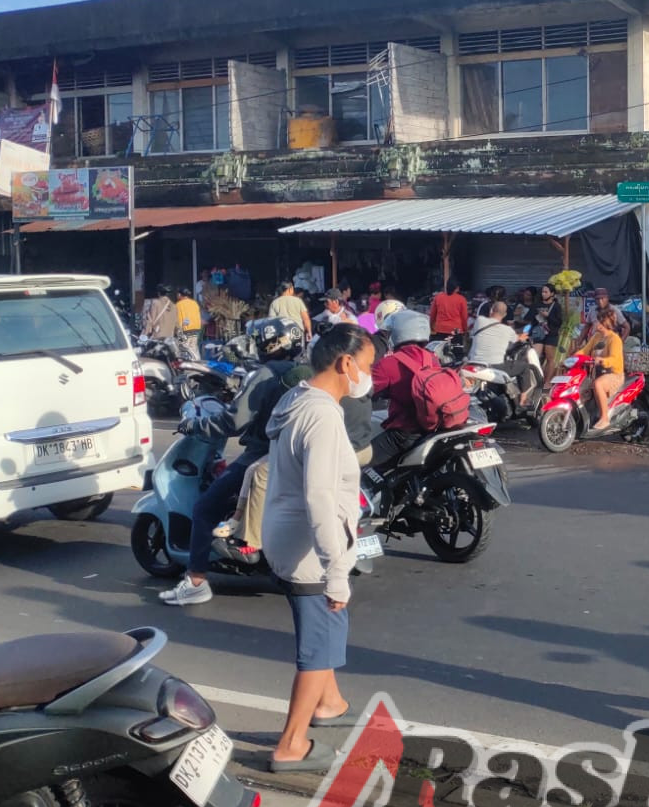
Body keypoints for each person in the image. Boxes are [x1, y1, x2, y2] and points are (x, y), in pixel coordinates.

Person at [263, 325, 372, 772]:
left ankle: (330, 702)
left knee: (325, 636)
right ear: (345, 364)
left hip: (286, 536)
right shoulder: (324, 417)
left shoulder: (296, 399)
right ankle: (291, 745)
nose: (368, 377)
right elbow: (320, 497)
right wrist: (336, 570)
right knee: (318, 647)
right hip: (310, 550)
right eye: (366, 367)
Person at [160, 317, 306, 606]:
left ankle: (196, 581)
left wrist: (195, 426)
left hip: (263, 453)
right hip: (300, 455)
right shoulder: (306, 370)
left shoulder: (265, 374)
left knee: (204, 508)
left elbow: (234, 421)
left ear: (269, 343)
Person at [367, 310, 439, 470]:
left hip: (405, 433)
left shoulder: (389, 364)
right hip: (433, 428)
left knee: (358, 462)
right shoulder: (432, 358)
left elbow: (363, 391)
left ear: (398, 333)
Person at [586, 311, 626, 433]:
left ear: (606, 323)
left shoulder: (615, 339)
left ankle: (604, 418)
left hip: (614, 375)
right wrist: (571, 359)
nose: (596, 323)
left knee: (598, 384)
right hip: (597, 373)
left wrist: (603, 361)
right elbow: (584, 350)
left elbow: (614, 359)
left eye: (599, 321)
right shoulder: (596, 337)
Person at [470, 299, 524, 366]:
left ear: (491, 310)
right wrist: (526, 334)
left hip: (474, 363)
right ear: (505, 315)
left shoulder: (479, 321)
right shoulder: (508, 330)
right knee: (524, 366)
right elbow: (518, 339)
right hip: (496, 366)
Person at [533, 283, 564, 376]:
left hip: (551, 334)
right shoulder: (537, 305)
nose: (543, 294)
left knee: (550, 358)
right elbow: (531, 319)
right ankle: (537, 378)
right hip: (538, 333)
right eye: (542, 292)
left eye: (546, 292)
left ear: (552, 294)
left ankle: (548, 381)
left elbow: (558, 322)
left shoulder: (556, 306)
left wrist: (548, 316)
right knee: (535, 357)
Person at [173, 287, 203, 360]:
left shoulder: (178, 305)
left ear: (180, 294)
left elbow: (177, 320)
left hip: (184, 330)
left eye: (177, 294)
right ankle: (197, 364)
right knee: (193, 348)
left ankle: (185, 367)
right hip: (195, 329)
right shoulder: (194, 303)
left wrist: (174, 331)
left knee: (183, 349)